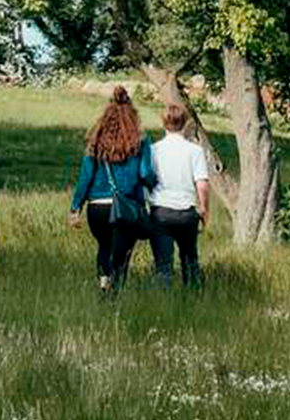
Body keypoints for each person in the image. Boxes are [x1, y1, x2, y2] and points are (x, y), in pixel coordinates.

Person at [68, 87, 156, 298]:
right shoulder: (141, 140)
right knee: (122, 253)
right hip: (126, 206)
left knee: (104, 246)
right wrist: (154, 186)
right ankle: (115, 294)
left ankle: (103, 284)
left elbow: (85, 177)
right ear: (132, 115)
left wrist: (75, 208)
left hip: (97, 208)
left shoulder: (96, 140)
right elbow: (145, 173)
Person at [149, 104, 210, 290]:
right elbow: (202, 184)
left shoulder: (153, 150)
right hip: (186, 213)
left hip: (160, 212)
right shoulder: (195, 151)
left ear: (163, 123)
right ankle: (193, 299)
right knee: (190, 261)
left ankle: (163, 307)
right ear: (184, 123)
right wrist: (204, 210)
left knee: (163, 265)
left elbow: (146, 180)